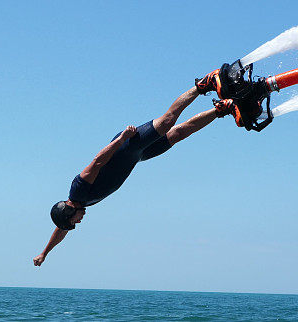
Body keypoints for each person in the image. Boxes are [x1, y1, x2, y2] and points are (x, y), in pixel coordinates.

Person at [33, 69, 237, 266]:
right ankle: (222, 108)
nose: (77, 223)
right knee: (178, 134)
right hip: (137, 156)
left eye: (74, 222)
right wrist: (44, 253)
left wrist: (122, 138)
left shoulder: (79, 190)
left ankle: (203, 85)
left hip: (127, 146)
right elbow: (60, 230)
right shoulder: (81, 204)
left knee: (167, 121)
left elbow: (97, 161)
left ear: (69, 211)